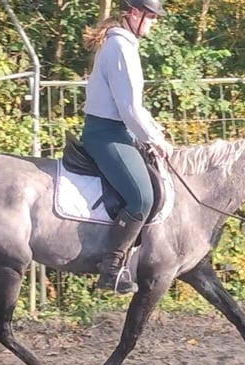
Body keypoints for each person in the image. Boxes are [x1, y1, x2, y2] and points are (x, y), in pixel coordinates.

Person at [81, 0, 174, 295]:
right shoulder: (120, 48)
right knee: (142, 197)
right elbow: (129, 108)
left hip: (116, 130)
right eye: (150, 16)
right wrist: (155, 140)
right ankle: (111, 267)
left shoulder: (121, 43)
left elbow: (135, 107)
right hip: (107, 133)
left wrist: (155, 130)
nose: (153, 22)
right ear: (134, 14)